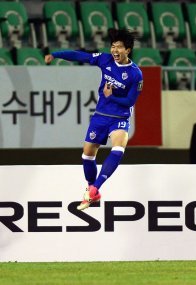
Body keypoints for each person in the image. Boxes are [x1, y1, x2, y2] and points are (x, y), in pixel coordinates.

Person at [44, 29, 143, 211]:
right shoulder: (105, 59)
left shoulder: (136, 74)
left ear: (127, 50)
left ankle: (95, 189)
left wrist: (110, 95)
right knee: (87, 154)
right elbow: (79, 55)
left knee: (118, 148)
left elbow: (130, 101)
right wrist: (55, 54)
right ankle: (92, 188)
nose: (114, 50)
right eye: (112, 46)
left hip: (120, 118)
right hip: (100, 116)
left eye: (119, 47)